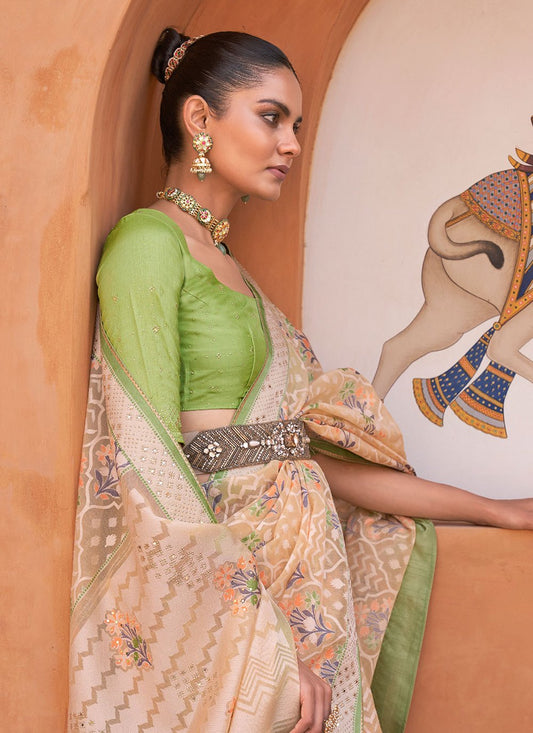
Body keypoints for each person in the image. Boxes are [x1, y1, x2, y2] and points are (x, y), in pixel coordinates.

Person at [68, 29, 533, 733]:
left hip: (303, 600)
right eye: (271, 118)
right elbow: (148, 464)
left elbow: (305, 460)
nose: (289, 144)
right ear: (198, 118)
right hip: (239, 618)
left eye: (297, 126)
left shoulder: (237, 277)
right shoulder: (148, 246)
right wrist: (265, 644)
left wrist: (494, 509)